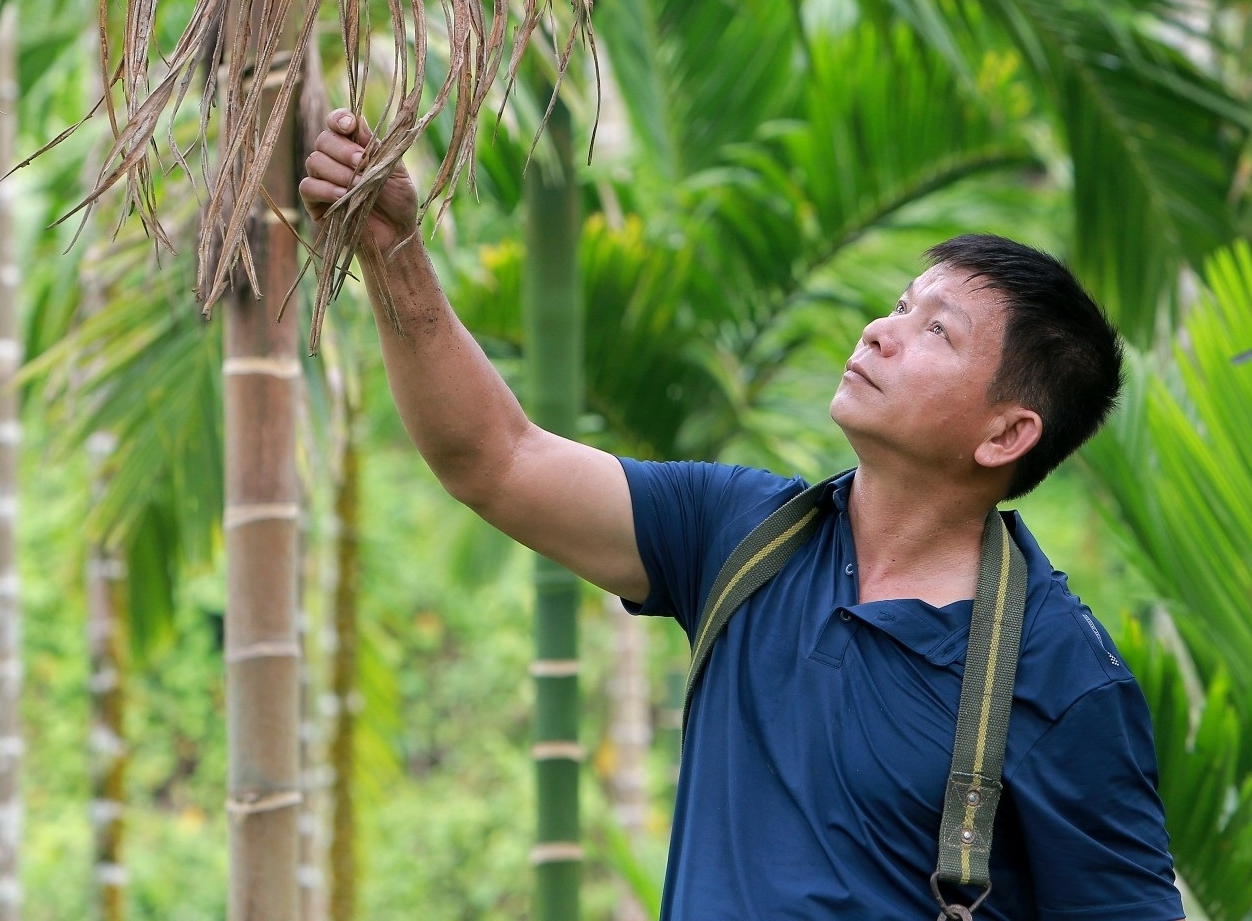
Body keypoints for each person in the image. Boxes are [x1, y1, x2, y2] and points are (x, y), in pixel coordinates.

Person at [301, 109, 1185, 921]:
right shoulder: (741, 535)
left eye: (936, 332)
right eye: (900, 306)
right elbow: (495, 459)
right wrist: (393, 250)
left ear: (1007, 434)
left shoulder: (1063, 681)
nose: (881, 331)